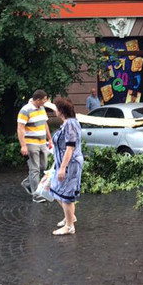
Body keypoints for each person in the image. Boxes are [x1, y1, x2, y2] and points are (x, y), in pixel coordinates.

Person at [49, 97, 84, 235]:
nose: (54, 111)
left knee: (66, 194)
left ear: (61, 111)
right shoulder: (67, 123)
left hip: (70, 164)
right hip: (62, 162)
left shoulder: (70, 124)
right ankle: (70, 216)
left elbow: (70, 148)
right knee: (54, 188)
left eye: (56, 109)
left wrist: (63, 168)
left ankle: (69, 226)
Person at [17, 89, 52, 203]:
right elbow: (20, 128)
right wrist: (23, 146)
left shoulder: (42, 108)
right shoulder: (25, 110)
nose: (45, 102)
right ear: (37, 100)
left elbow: (45, 123)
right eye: (44, 100)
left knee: (44, 166)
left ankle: (28, 182)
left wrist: (50, 138)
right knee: (35, 168)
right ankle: (36, 195)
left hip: (42, 143)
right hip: (31, 143)